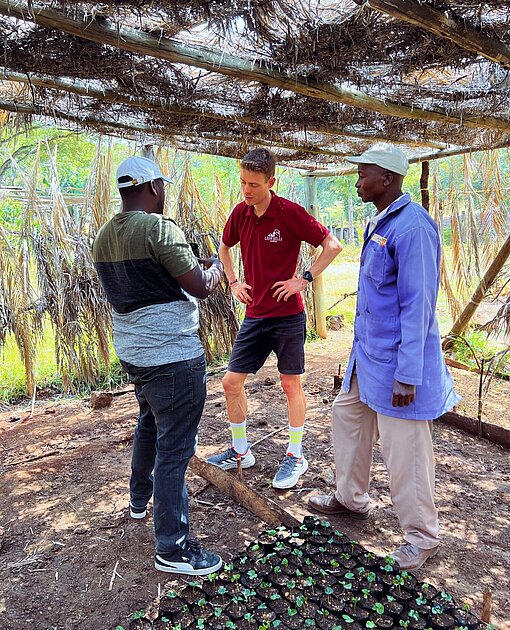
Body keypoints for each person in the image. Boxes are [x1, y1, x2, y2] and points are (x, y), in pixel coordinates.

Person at [308, 144, 460, 570]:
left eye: (363, 174)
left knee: (405, 451)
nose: (357, 181)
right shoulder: (382, 220)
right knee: (347, 418)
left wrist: (408, 375)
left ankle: (422, 537)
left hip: (398, 365)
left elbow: (419, 305)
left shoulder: (413, 228)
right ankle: (350, 498)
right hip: (369, 358)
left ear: (387, 179)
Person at [92, 156, 224, 576]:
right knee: (175, 451)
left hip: (136, 356)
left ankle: (138, 500)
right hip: (173, 358)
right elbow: (200, 288)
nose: (164, 193)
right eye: (162, 187)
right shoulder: (159, 228)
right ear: (151, 187)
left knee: (149, 421)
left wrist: (190, 269)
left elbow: (149, 282)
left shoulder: (103, 237)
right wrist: (216, 269)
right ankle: (173, 547)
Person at [206, 148, 342, 489]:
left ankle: (295, 455)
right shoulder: (240, 213)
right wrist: (234, 282)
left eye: (254, 184)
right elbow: (224, 248)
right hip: (255, 315)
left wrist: (304, 279)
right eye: (242, 183)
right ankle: (241, 451)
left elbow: (332, 245)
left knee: (289, 384)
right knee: (230, 382)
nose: (247, 190)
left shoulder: (289, 213)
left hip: (287, 316)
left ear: (272, 181)